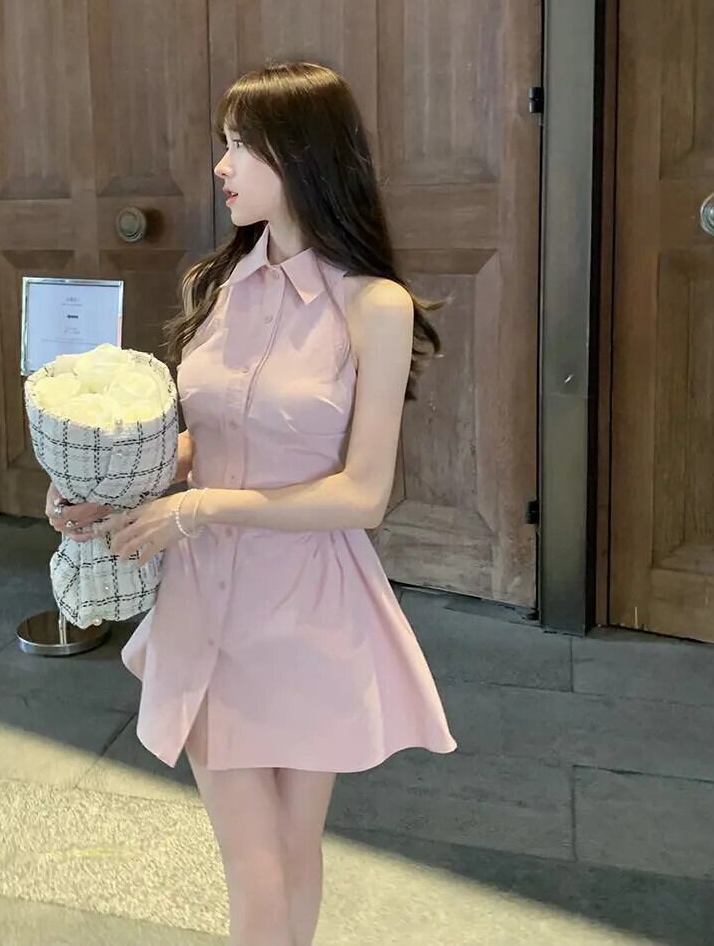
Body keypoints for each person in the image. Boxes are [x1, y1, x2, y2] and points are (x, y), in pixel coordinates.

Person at [45, 61, 457, 946]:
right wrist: (106, 486)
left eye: (239, 145)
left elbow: (362, 493)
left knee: (288, 851)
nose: (221, 166)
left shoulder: (374, 305)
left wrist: (198, 510)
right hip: (209, 601)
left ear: (301, 154)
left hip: (310, 605)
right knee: (256, 859)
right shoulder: (215, 284)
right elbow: (205, 439)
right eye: (223, 144)